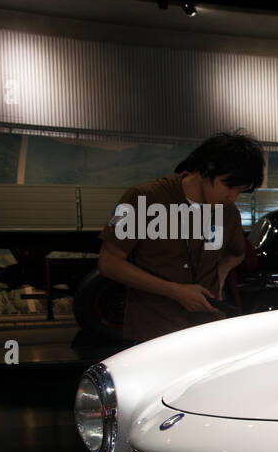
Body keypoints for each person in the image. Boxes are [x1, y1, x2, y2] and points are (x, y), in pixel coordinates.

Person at [97, 130, 264, 341]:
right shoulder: (143, 198)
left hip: (208, 331)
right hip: (154, 333)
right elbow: (109, 262)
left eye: (240, 191)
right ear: (205, 170)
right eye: (228, 185)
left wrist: (220, 276)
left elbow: (237, 254)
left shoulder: (228, 213)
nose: (232, 197)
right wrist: (175, 291)